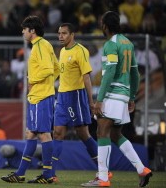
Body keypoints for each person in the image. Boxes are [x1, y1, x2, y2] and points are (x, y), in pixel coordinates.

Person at [81, 11, 152, 187]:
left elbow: (110, 72)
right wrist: (132, 96)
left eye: (101, 21)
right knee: (115, 133)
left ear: (105, 25)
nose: (99, 23)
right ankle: (142, 169)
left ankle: (103, 179)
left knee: (101, 132)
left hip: (112, 94)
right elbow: (135, 72)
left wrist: (100, 99)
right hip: (123, 94)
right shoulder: (127, 43)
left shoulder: (110, 45)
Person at [1, 15, 60, 184]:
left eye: (24, 29)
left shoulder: (39, 46)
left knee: (43, 135)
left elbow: (49, 69)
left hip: (40, 96)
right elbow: (56, 68)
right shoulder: (44, 45)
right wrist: (48, 84)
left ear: (32, 31)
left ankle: (47, 175)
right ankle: (20, 173)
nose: (22, 32)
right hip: (41, 94)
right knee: (31, 133)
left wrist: (33, 80)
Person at [51, 23, 100, 183]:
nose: (60, 36)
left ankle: (103, 171)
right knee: (57, 132)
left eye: (64, 33)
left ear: (72, 34)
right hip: (62, 96)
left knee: (83, 133)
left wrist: (91, 102)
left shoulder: (81, 51)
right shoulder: (63, 51)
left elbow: (87, 77)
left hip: (76, 96)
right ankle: (51, 174)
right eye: (59, 33)